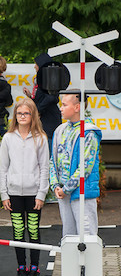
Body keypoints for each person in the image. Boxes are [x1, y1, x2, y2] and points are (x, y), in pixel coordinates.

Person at [0, 98, 49, 276]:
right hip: (14, 194)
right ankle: (21, 268)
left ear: (33, 115)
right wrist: (4, 194)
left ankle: (34, 269)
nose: (22, 116)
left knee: (34, 231)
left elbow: (45, 168)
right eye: (19, 113)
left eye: (26, 113)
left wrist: (41, 194)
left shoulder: (40, 138)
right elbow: (3, 167)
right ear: (15, 116)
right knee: (18, 231)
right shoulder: (8, 138)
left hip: (34, 193)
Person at [50, 92, 101, 238]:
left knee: (86, 235)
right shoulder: (60, 130)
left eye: (64, 104)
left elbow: (85, 167)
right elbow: (53, 159)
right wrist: (55, 185)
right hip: (63, 192)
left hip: (82, 193)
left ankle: (88, 262)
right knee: (68, 236)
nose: (60, 108)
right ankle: (70, 262)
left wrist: (67, 188)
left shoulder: (88, 132)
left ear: (77, 107)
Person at [23, 53, 62, 154]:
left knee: (48, 150)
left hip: (49, 120)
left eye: (36, 64)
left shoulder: (51, 79)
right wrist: (30, 97)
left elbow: (51, 97)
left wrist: (38, 110)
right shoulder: (40, 79)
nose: (34, 66)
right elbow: (42, 98)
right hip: (42, 120)